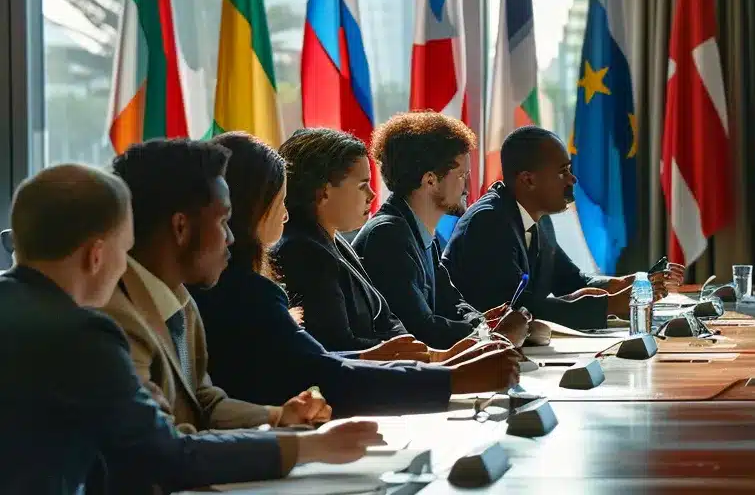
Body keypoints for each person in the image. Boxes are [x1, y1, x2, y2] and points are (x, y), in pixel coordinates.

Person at [0, 164, 381, 493]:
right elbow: (165, 455)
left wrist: (276, 419)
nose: (124, 270)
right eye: (124, 251)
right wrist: (310, 448)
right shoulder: (83, 335)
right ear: (96, 255)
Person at [195, 132, 518, 417]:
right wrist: (451, 376)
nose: (286, 212)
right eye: (279, 201)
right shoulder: (272, 270)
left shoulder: (336, 243)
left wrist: (433, 359)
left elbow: (380, 328)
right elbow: (320, 368)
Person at [100, 139, 328, 433]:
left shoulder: (180, 299)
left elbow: (204, 403)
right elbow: (160, 447)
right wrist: (298, 447)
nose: (230, 238)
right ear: (181, 227)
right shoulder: (116, 319)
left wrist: (277, 417)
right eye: (222, 221)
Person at [273, 128, 469, 360]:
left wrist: (418, 352)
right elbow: (336, 345)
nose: (373, 194)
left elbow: (388, 320)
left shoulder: (333, 241)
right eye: (362, 185)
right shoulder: (305, 252)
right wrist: (420, 356)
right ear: (324, 191)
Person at [445, 126, 663, 330]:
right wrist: (611, 305)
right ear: (528, 180)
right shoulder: (488, 222)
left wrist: (625, 284)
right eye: (563, 171)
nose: (572, 179)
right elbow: (513, 309)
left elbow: (570, 281)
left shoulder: (540, 219)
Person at [355, 112, 530, 349]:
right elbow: (420, 329)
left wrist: (485, 323)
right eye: (461, 176)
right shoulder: (388, 236)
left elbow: (452, 303)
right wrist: (491, 334)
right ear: (430, 180)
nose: (468, 187)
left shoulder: (422, 232)